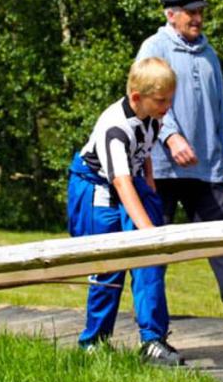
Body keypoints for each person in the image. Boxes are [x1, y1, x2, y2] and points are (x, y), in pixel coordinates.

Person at [136, 0, 223, 327]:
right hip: (162, 166)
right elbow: (148, 100)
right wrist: (171, 136)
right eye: (190, 12)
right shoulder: (154, 48)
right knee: (156, 241)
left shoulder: (209, 54)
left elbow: (220, 109)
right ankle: (148, 314)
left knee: (218, 237)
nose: (197, 18)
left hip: (206, 166)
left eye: (200, 12)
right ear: (171, 14)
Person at [67, 57, 184, 366]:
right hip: (99, 188)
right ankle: (94, 341)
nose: (167, 107)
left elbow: (144, 150)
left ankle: (153, 340)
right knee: (109, 264)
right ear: (136, 97)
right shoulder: (114, 128)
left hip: (131, 182)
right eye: (161, 100)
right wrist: (148, 231)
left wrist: (151, 186)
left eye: (170, 100)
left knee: (150, 261)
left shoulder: (154, 115)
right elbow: (119, 181)